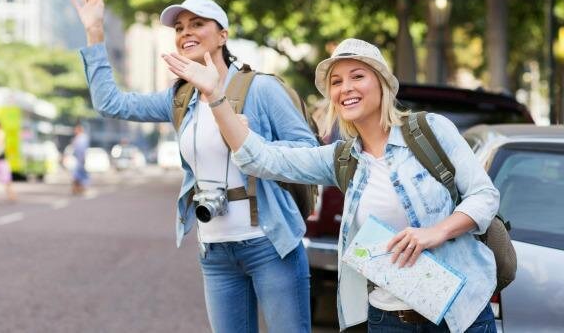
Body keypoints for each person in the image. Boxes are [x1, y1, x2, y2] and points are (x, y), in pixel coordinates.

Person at [164, 38, 500, 332]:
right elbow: (260, 159)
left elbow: (484, 196)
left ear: (382, 83)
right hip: (391, 319)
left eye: (357, 76)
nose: (345, 88)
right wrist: (216, 96)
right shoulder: (341, 159)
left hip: (461, 313)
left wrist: (436, 232)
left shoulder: (431, 130)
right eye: (336, 82)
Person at [70, 0, 317, 332]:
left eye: (198, 24)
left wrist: (252, 142)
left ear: (223, 35)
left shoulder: (261, 89)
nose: (186, 32)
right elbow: (111, 102)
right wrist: (95, 31)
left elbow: (307, 154)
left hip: (269, 243)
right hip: (215, 251)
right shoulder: (180, 100)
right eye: (180, 27)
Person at [70, 122, 90, 195]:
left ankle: (80, 189)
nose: (74, 131)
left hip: (80, 160)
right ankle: (78, 189)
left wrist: (82, 159)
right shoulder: (79, 138)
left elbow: (82, 150)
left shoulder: (82, 138)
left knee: (79, 175)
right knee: (78, 175)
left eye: (75, 129)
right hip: (78, 160)